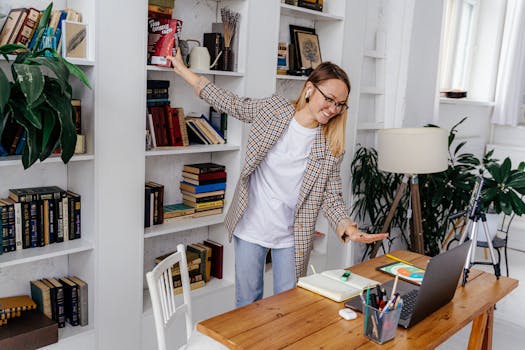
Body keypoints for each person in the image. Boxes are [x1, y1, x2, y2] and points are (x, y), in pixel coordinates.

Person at [167, 50, 388, 308]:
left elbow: (331, 195)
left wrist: (347, 226)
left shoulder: (330, 144)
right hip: (251, 226)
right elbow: (231, 103)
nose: (333, 109)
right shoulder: (274, 111)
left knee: (289, 308)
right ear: (309, 89)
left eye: (340, 104)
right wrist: (183, 70)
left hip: (292, 235)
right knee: (248, 305)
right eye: (329, 99)